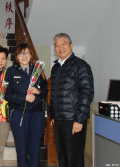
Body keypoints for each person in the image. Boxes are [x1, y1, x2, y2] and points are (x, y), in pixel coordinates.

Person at [50, 33, 94, 167]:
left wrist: (79, 119)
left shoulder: (81, 66)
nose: (60, 47)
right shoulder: (55, 68)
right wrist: (53, 114)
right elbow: (54, 93)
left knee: (74, 158)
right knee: (62, 156)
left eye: (63, 43)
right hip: (58, 120)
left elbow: (87, 94)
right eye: (56, 44)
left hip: (73, 120)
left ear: (71, 45)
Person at [4, 43, 48, 167]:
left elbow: (45, 90)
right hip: (19, 114)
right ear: (16, 57)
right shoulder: (11, 71)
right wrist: (24, 97)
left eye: (27, 53)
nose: (24, 56)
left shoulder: (38, 70)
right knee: (21, 149)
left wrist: (39, 92)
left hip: (37, 114)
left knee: (35, 148)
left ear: (31, 55)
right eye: (21, 53)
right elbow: (7, 94)